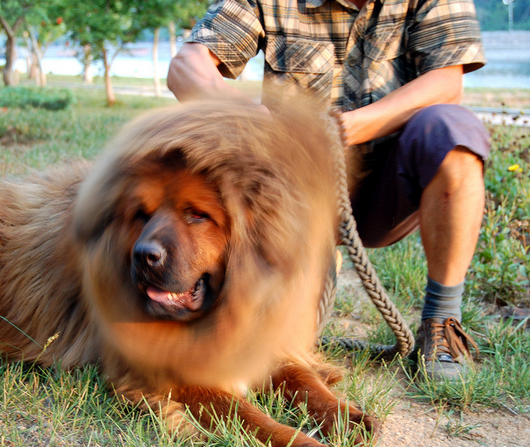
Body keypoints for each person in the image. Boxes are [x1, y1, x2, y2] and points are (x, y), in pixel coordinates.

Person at [167, 0, 489, 381]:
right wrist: (247, 117)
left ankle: (442, 322)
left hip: (392, 183)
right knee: (280, 349)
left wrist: (343, 129)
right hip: (295, 195)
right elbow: (186, 68)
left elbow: (447, 83)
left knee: (452, 132)